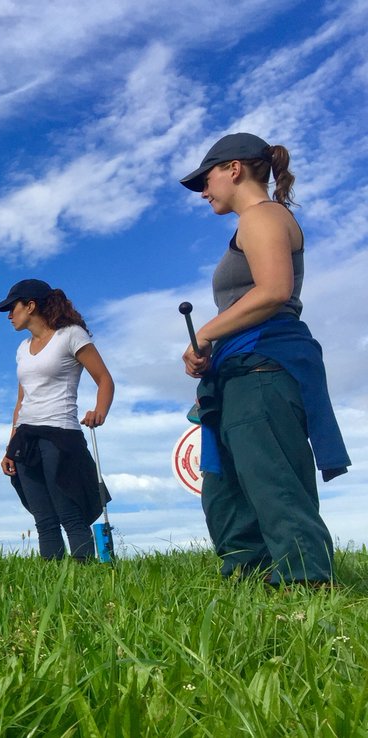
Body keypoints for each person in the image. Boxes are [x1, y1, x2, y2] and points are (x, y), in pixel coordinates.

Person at [178, 132, 349, 585]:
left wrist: (206, 335)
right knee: (227, 489)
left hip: (264, 367)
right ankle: (250, 582)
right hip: (239, 370)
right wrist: (212, 348)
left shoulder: (264, 215)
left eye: (206, 178)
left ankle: (305, 587)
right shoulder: (250, 223)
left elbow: (274, 289)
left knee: (274, 482)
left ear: (233, 169)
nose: (203, 191)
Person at [0, 279, 114, 562]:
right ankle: (51, 585)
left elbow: (104, 379)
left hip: (60, 435)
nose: (9, 315)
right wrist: (10, 446)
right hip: (26, 438)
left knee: (70, 514)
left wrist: (99, 411)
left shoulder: (70, 335)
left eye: (12, 308)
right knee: (43, 519)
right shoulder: (22, 349)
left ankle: (86, 580)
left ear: (31, 305)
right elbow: (21, 400)